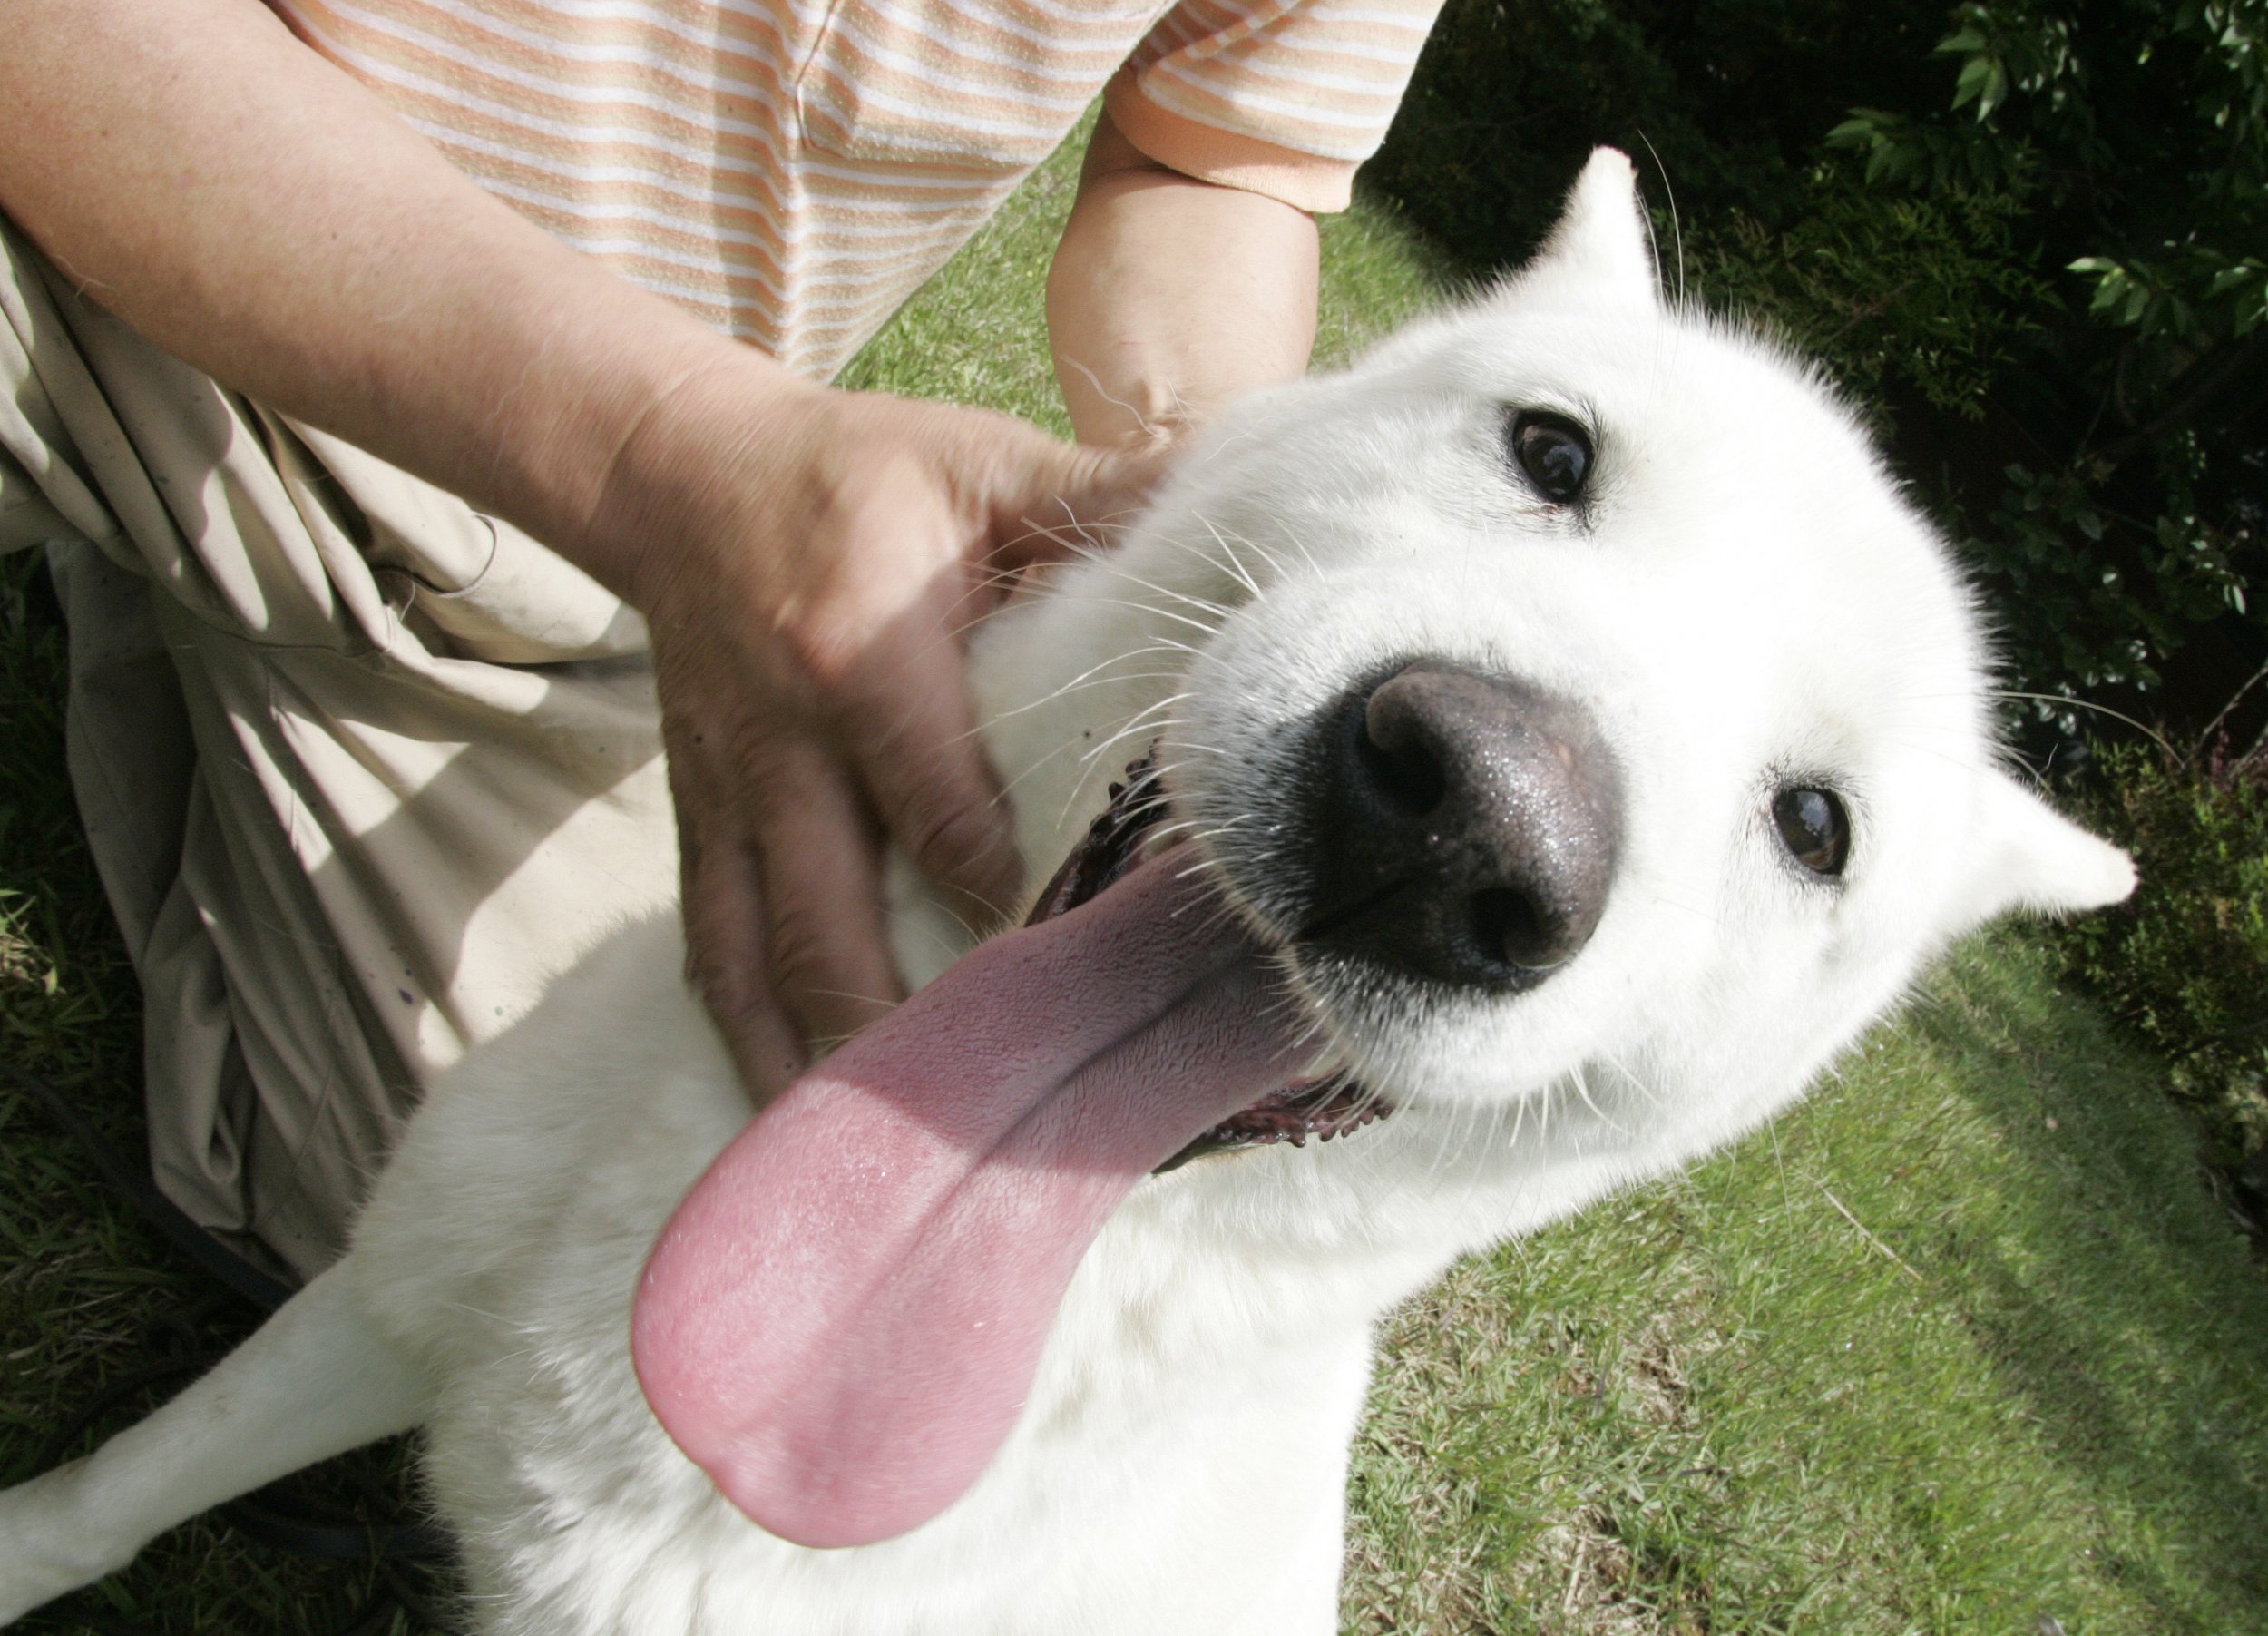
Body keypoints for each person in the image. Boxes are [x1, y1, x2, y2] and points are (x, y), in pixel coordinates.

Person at [0, 0, 1442, 1278]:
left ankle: (159, 600)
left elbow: (1209, 159)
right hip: (124, 185)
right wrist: (662, 451)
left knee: (516, 1216)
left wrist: (1192, 485)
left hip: (545, 542)